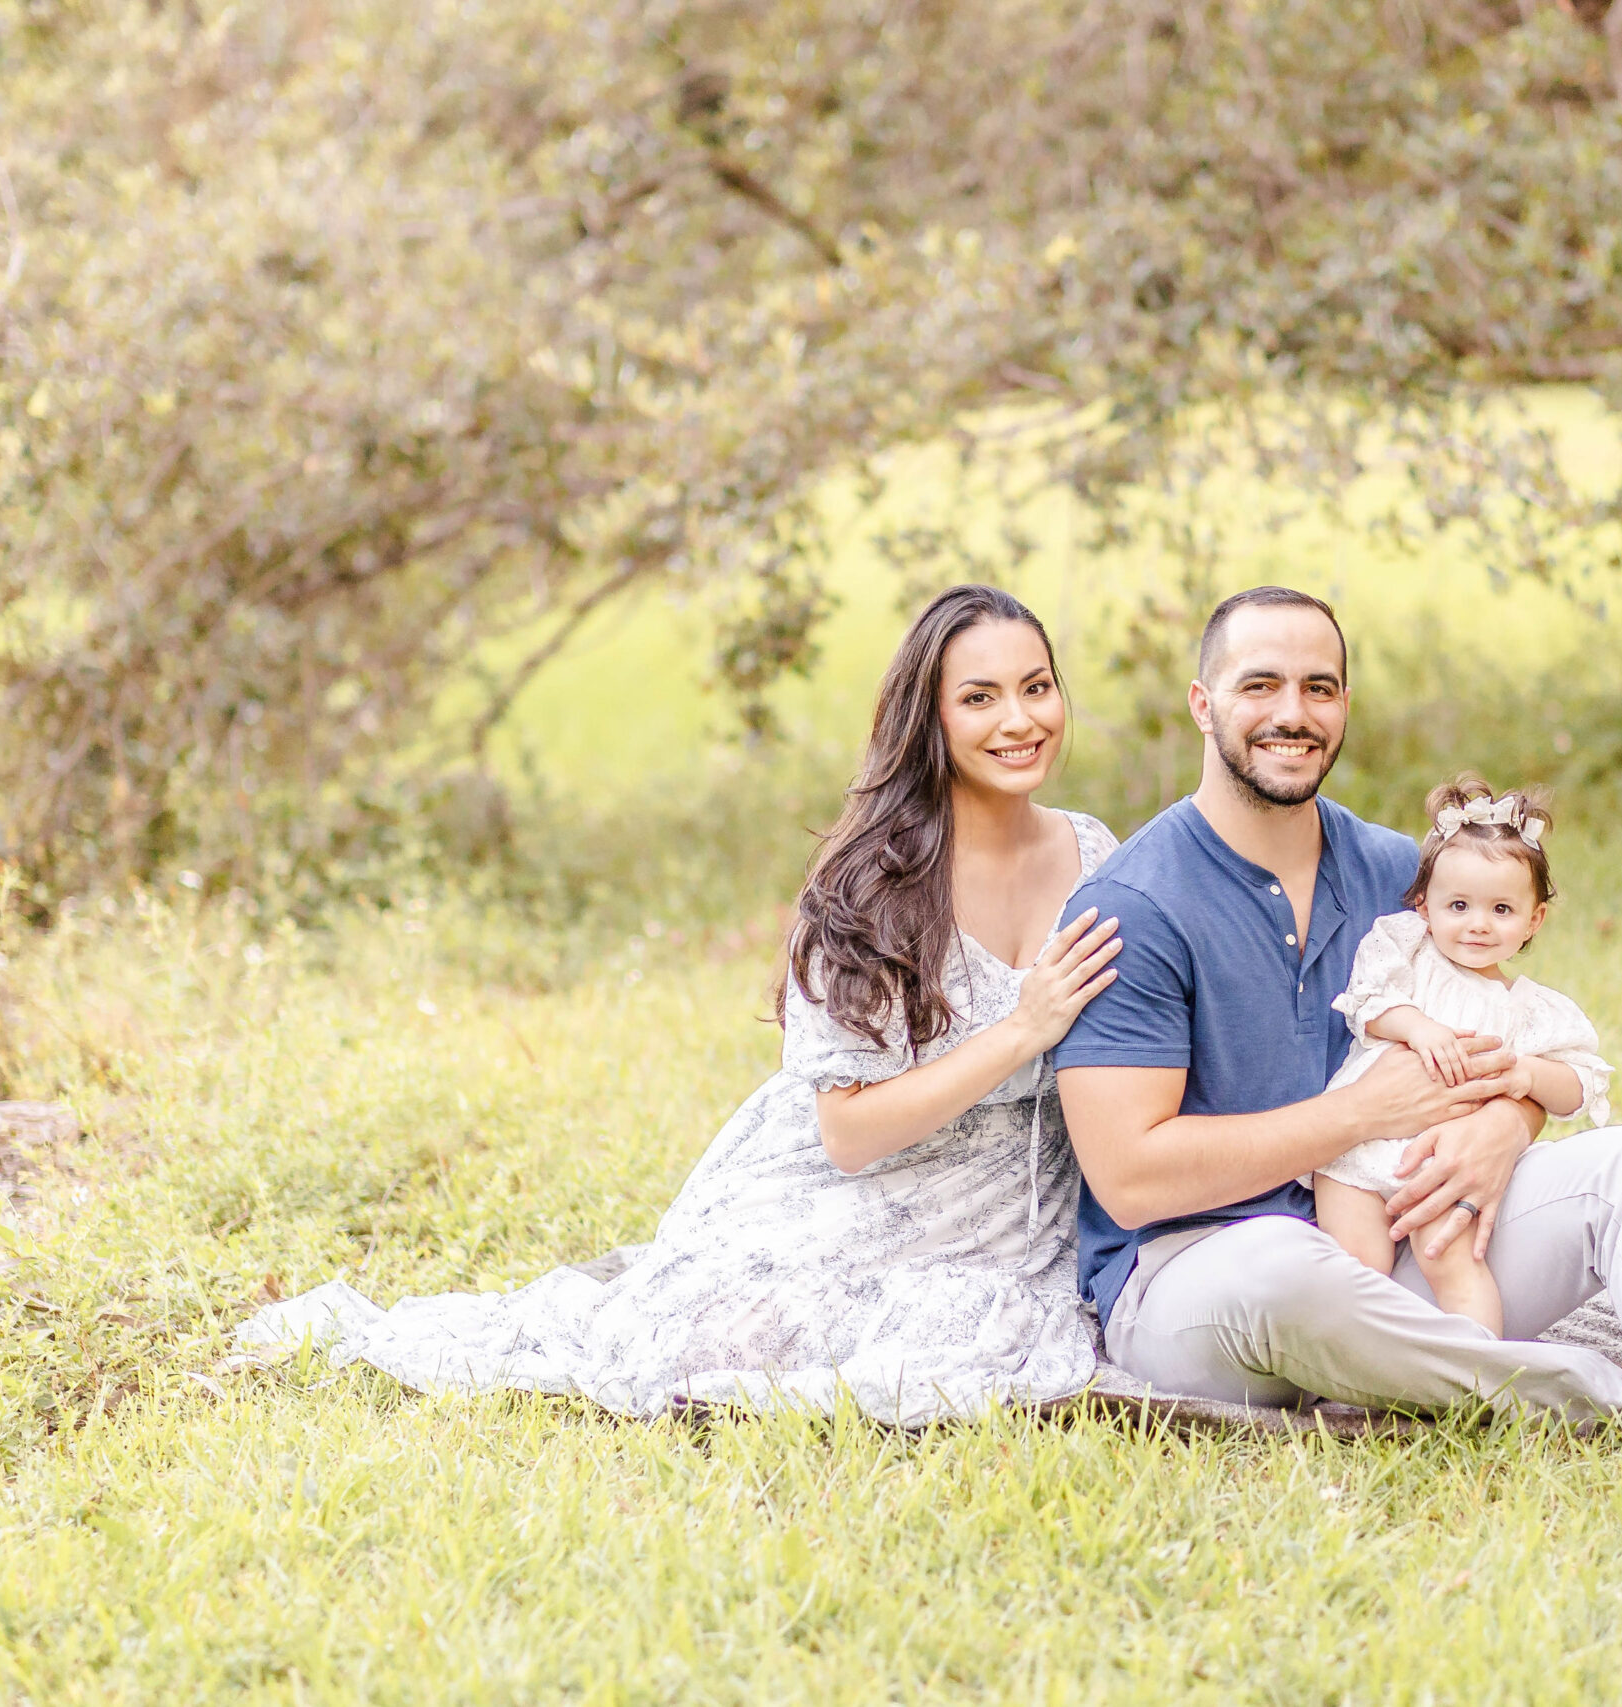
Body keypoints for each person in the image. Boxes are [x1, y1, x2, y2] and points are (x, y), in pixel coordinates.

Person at [1051, 586, 1622, 1511]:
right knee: (1281, 1260)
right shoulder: (1136, 905)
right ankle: (1596, 1394)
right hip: (1204, 1280)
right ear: (1203, 702)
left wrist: (1509, 1124)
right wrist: (1357, 1115)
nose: (1292, 713)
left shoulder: (1409, 875)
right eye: (1259, 684)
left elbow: (1509, 1037)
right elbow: (1131, 1179)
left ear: (1345, 705)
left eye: (1320, 687)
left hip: (1401, 1244)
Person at [238, 585, 1125, 1426]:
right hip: (853, 1192)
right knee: (693, 1351)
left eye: (1037, 687)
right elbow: (848, 1136)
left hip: (1012, 1213)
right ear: (929, 720)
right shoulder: (871, 888)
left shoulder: (1096, 856)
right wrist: (1020, 1031)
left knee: (973, 1344)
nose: (1020, 720)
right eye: (980, 697)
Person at [1310, 772, 1611, 1339]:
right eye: (1459, 905)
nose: (1477, 923)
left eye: (1501, 909)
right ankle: (1358, 1372)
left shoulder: (1526, 1010)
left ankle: (1478, 1373)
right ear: (1423, 905)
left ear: (1533, 920)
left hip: (1448, 1164)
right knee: (1356, 1268)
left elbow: (1580, 1084)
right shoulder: (1406, 952)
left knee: (1452, 1262)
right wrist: (1417, 1028)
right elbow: (1365, 1002)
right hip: (1358, 1148)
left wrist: (1524, 1073)